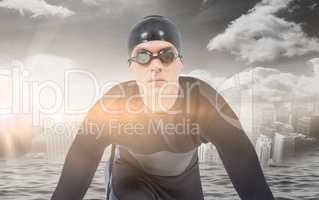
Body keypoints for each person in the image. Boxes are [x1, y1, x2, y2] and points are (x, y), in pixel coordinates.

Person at [51, 15, 274, 200]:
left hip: (185, 184)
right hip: (130, 180)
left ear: (180, 63)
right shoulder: (112, 107)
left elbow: (251, 182)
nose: (155, 65)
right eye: (143, 56)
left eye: (166, 55)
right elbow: (71, 185)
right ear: (132, 66)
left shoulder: (204, 103)